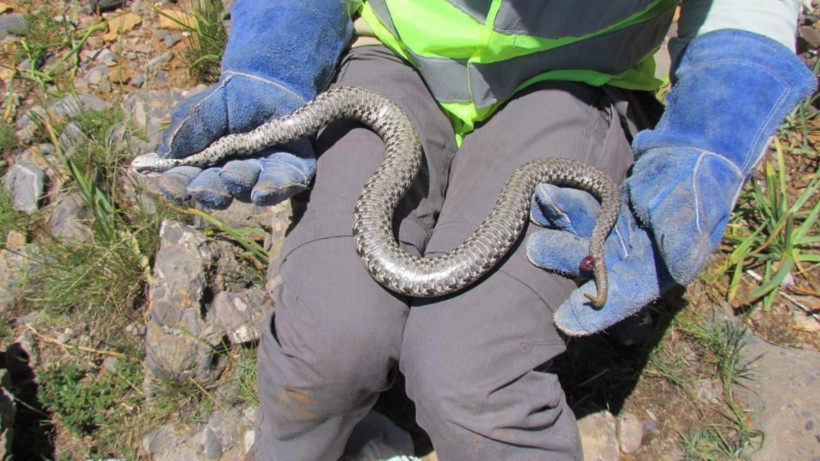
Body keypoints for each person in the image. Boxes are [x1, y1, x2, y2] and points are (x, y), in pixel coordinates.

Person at [152, 0, 816, 459]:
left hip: (578, 81)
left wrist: (711, 128)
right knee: (327, 343)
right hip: (396, 61)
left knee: (470, 374)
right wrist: (276, 58)